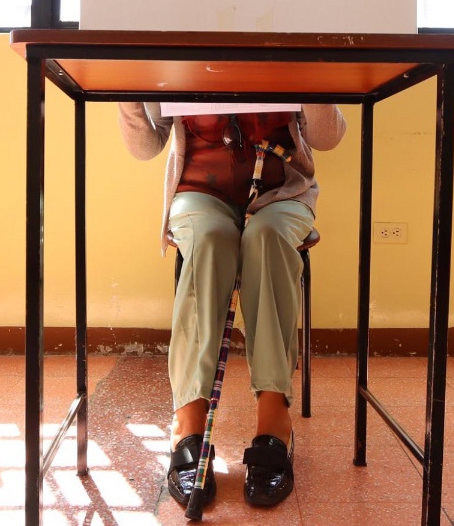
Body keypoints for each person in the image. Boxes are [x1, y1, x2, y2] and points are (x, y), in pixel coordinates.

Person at [118, 102, 346, 508]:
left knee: (267, 239)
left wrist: (313, 67)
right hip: (199, 191)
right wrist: (130, 89)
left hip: (282, 191)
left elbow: (327, 138)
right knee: (208, 242)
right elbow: (144, 146)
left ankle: (275, 419)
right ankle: (188, 419)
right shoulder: (174, 44)